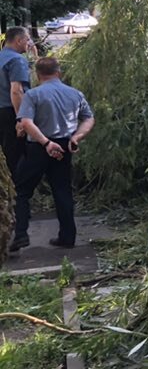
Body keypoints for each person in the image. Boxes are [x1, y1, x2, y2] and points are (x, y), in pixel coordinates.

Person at [9, 57, 94, 251]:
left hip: (38, 147)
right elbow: (88, 119)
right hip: (64, 146)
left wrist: (46, 142)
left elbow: (26, 123)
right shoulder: (75, 94)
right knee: (62, 190)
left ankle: (21, 234)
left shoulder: (33, 95)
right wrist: (77, 137)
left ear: (38, 75)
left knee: (21, 191)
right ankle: (67, 236)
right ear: (59, 72)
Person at [0, 27, 32, 179]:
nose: (29, 43)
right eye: (27, 39)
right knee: (15, 154)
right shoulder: (17, 60)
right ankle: (17, 193)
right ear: (19, 41)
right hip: (10, 111)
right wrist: (21, 118)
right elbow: (16, 91)